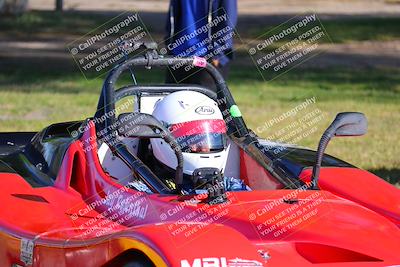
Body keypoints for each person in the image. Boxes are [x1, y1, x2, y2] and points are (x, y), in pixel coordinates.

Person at [149, 91, 248, 193]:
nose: (205, 148)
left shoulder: (230, 186)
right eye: (195, 140)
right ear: (162, 138)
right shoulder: (145, 190)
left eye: (211, 138)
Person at [164, 0, 237, 90]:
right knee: (172, 102)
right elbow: (172, 16)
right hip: (178, 56)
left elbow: (228, 20)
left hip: (207, 58)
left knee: (204, 102)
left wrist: (218, 54)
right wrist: (169, 45)